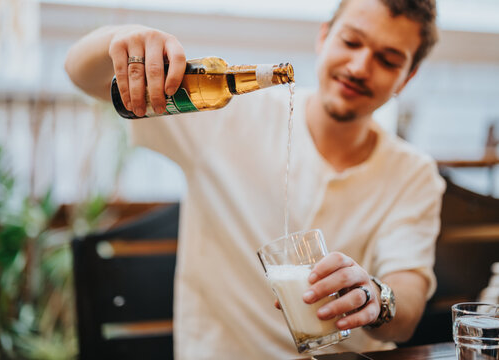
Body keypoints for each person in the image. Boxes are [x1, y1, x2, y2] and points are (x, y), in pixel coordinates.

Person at [65, 0, 446, 358]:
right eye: (351, 41)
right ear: (323, 36)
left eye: (388, 59)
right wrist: (123, 39)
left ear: (407, 78)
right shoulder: (227, 115)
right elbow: (81, 75)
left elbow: (408, 306)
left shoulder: (413, 174)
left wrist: (376, 298)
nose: (361, 66)